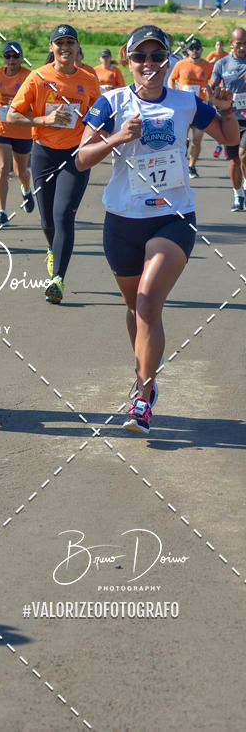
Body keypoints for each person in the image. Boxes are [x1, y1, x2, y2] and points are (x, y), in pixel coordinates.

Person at [76, 24, 238, 434]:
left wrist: (225, 110)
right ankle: (142, 376)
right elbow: (81, 158)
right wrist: (116, 138)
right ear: (127, 59)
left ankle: (144, 396)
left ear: (168, 59)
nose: (148, 64)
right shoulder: (110, 102)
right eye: (140, 57)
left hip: (173, 216)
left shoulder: (187, 102)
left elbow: (230, 139)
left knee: (148, 304)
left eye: (157, 56)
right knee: (135, 309)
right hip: (122, 220)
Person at [8, 23, 100, 303]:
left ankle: (57, 280)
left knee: (63, 216)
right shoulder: (37, 78)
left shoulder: (89, 79)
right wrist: (44, 120)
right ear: (52, 48)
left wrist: (95, 137)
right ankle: (54, 249)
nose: (65, 48)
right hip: (44, 153)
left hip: (76, 155)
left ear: (77, 47)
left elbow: (100, 117)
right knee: (47, 219)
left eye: (70, 43)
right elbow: (12, 115)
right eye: (59, 43)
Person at [0, 41, 33, 227]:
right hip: (0, 126)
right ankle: (2, 212)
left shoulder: (29, 76)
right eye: (8, 56)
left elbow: (36, 99)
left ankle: (26, 189)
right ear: (4, 58)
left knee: (21, 171)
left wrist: (23, 107)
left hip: (22, 128)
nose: (11, 60)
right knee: (3, 167)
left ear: (21, 57)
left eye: (15, 56)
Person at [210, 27, 246, 210]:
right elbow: (212, 85)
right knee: (234, 160)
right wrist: (214, 94)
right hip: (230, 117)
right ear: (231, 44)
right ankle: (238, 195)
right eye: (239, 44)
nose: (242, 48)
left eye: (245, 44)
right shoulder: (222, 64)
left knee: (243, 153)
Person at [168, 38, 213, 178]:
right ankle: (179, 164)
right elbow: (171, 79)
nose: (194, 51)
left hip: (200, 107)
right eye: (191, 48)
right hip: (183, 106)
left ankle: (191, 166)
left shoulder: (207, 66)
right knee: (180, 139)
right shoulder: (181, 64)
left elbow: (214, 82)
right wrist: (173, 93)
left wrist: (210, 90)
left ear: (201, 49)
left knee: (197, 140)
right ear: (187, 50)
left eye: (197, 48)